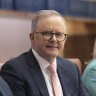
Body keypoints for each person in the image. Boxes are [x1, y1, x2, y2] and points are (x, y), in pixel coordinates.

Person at [0, 10, 87, 96]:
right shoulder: (14, 70)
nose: (54, 39)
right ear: (32, 37)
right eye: (47, 33)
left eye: (59, 34)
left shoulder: (71, 69)